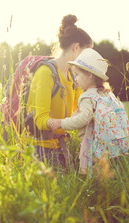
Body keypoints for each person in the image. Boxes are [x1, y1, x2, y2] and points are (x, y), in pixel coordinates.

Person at [47, 48, 129, 174]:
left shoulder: (87, 97)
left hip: (91, 141)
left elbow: (83, 118)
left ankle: (87, 183)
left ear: (89, 74)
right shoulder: (107, 94)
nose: (75, 79)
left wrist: (62, 123)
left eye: (77, 75)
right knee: (105, 168)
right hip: (106, 141)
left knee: (86, 165)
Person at [25, 14, 93, 169]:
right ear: (76, 47)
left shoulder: (72, 76)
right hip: (40, 149)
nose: (89, 58)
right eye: (87, 52)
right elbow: (40, 119)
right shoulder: (45, 72)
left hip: (61, 147)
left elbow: (79, 110)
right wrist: (63, 123)